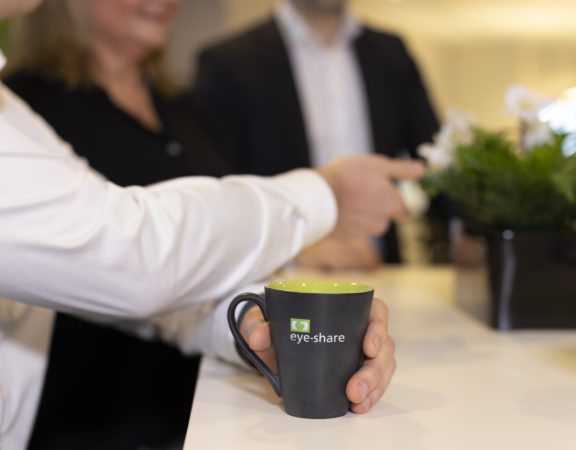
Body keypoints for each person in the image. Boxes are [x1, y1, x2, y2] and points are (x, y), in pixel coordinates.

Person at [0, 0, 407, 447]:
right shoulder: (32, 99)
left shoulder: (17, 115)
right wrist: (323, 196)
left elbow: (142, 282)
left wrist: (257, 326)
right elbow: (131, 255)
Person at [194, 0, 442, 269]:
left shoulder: (392, 54)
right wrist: (292, 250)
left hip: (383, 277)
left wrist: (467, 233)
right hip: (278, 284)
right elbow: (218, 192)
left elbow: (433, 158)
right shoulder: (228, 62)